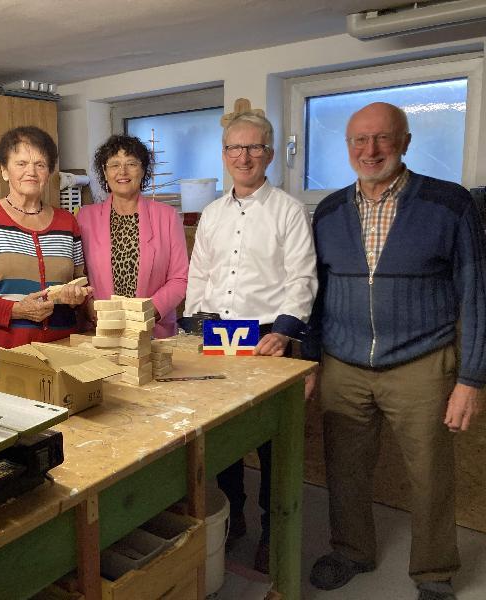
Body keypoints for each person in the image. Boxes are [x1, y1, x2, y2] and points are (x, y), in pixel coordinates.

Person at [304, 102, 485, 600]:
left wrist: (471, 379)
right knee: (344, 468)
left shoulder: (450, 204)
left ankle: (434, 573)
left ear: (404, 142)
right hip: (343, 362)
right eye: (359, 141)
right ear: (347, 148)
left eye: (382, 138)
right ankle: (352, 551)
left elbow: (476, 291)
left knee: (430, 473)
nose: (371, 150)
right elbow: (315, 292)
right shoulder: (331, 210)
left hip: (421, 364)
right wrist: (311, 360)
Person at [184, 111, 317, 573]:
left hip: (268, 336)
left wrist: (283, 332)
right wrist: (197, 324)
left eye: (254, 147)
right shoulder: (212, 214)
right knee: (222, 437)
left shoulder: (289, 210)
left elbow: (302, 277)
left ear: (270, 154)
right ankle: (232, 517)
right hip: (220, 334)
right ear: (224, 155)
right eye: (235, 148)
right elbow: (199, 273)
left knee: (271, 443)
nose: (244, 156)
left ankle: (273, 531)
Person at [0, 126, 91, 348]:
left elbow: (80, 284)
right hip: (1, 353)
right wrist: (15, 310)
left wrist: (75, 297)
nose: (31, 172)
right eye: (21, 163)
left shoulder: (67, 223)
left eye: (40, 165)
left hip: (62, 350)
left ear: (49, 173)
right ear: (4, 170)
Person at [77, 134, 188, 338]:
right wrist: (91, 310)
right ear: (104, 171)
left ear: (143, 169)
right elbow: (77, 276)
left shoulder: (167, 216)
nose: (122, 171)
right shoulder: (85, 217)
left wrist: (146, 313)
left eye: (131, 163)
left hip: (154, 333)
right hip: (101, 332)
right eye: (114, 165)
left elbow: (180, 278)